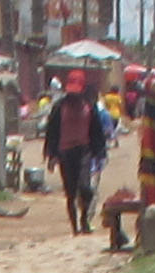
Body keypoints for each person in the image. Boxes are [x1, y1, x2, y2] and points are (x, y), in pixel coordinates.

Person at [46, 69, 110, 234]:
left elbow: (97, 132)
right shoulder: (59, 107)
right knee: (70, 192)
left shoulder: (89, 108)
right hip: (65, 152)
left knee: (85, 187)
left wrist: (101, 152)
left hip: (84, 151)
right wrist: (51, 155)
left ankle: (84, 219)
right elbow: (51, 132)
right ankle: (75, 226)